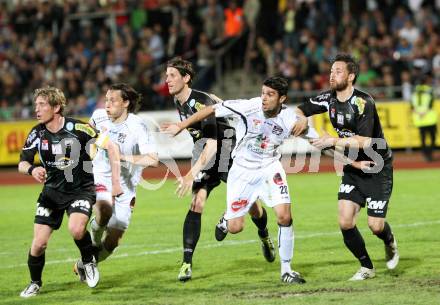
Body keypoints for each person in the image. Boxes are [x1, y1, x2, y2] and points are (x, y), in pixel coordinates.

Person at [164, 76, 317, 284]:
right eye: (263, 92)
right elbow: (211, 109)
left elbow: (317, 139)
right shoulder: (249, 106)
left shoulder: (290, 119)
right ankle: (227, 220)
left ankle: (286, 270)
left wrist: (347, 156)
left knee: (284, 215)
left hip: (271, 167)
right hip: (242, 169)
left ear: (282, 98)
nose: (264, 98)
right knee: (236, 226)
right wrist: (182, 125)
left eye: (270, 95)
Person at [164, 58, 276, 281]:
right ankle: (186, 263)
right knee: (196, 202)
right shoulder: (180, 100)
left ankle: (263, 235)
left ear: (186, 79)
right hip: (206, 154)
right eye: (166, 75)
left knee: (250, 210)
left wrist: (190, 173)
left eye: (172, 75)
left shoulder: (199, 103)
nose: (167, 80)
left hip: (227, 153)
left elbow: (214, 143)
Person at [292, 53, 399, 280]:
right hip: (353, 165)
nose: (332, 75)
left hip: (376, 164)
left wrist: (332, 141)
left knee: (375, 226)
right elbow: (300, 109)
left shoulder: (363, 102)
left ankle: (389, 241)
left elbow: (366, 141)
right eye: (331, 71)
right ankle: (367, 267)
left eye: (337, 71)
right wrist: (302, 118)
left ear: (351, 77)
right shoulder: (327, 98)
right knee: (345, 220)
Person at [18, 87, 122, 297]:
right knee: (39, 244)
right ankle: (35, 282)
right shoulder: (37, 133)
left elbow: (110, 147)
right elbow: (22, 162)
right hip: (51, 194)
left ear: (56, 107)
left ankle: (88, 260)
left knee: (76, 229)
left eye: (42, 104)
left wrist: (116, 181)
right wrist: (32, 169)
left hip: (80, 190)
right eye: (35, 104)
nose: (36, 109)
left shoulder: (79, 128)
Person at [73, 83, 159, 281]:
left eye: (113, 100)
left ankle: (85, 262)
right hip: (100, 175)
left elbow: (153, 159)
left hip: (127, 185)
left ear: (126, 103)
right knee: (104, 208)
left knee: (113, 242)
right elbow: (87, 136)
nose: (107, 104)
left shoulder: (138, 126)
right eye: (106, 99)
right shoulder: (98, 116)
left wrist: (124, 158)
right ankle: (91, 245)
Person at [411, 73, 437, 162]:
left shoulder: (414, 91)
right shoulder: (429, 90)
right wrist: (424, 111)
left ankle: (425, 154)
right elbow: (431, 103)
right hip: (429, 117)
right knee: (433, 137)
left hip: (419, 118)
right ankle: (430, 153)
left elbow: (412, 106)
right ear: (426, 81)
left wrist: (419, 112)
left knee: (423, 138)